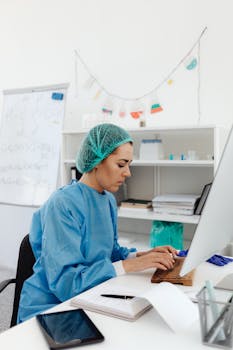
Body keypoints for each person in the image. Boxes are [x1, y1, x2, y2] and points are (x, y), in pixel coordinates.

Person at [17, 123, 177, 323]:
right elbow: (67, 283)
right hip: (52, 306)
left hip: (89, 294)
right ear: (96, 161)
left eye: (129, 165)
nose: (128, 173)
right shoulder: (63, 204)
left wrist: (144, 256)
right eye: (121, 164)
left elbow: (110, 253)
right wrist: (130, 265)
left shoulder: (108, 199)